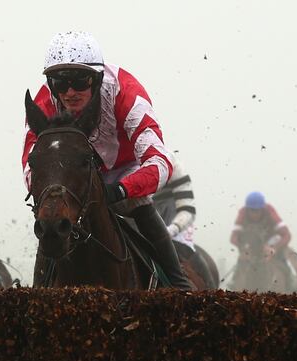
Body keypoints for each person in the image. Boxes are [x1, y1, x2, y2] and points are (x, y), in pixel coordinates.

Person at [23, 31, 192, 289]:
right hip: (72, 178)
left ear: (98, 78)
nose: (69, 92)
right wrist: (48, 197)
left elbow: (160, 161)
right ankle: (36, 296)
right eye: (60, 82)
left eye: (80, 81)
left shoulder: (127, 92)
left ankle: (180, 288)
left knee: (141, 205)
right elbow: (31, 162)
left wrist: (121, 190)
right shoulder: (44, 101)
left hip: (124, 173)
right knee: (51, 219)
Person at [152, 153, 214, 286]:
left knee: (180, 249)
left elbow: (187, 209)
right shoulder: (130, 163)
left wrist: (170, 230)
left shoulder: (173, 164)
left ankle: (208, 289)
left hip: (175, 225)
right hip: (146, 219)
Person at [230, 191, 297, 289]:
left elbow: (287, 235)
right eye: (251, 210)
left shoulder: (270, 212)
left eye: (257, 211)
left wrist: (274, 248)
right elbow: (233, 238)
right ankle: (235, 283)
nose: (254, 214)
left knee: (293, 263)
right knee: (242, 262)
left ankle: (291, 284)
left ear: (262, 209)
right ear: (247, 209)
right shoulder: (242, 213)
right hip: (252, 247)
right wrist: (243, 248)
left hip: (274, 243)